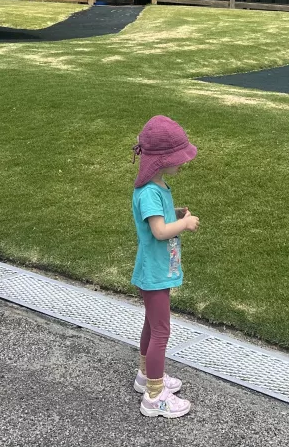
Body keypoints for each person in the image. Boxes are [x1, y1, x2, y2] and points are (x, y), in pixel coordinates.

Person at [131, 115, 200, 419]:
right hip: (155, 273)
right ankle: (154, 397)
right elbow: (159, 231)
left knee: (152, 324)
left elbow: (159, 218)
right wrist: (184, 223)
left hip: (157, 270)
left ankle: (145, 376)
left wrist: (175, 213)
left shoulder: (156, 187)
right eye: (177, 158)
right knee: (161, 331)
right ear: (160, 160)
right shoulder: (149, 192)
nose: (182, 163)